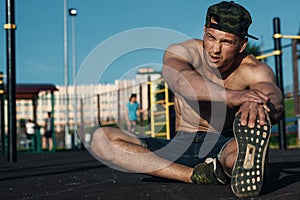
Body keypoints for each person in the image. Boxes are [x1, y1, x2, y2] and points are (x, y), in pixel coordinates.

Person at [91, 1, 284, 198]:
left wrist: (259, 102)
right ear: (204, 32)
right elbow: (183, 81)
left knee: (238, 155)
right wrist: (233, 96)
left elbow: (273, 96)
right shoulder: (184, 52)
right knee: (101, 140)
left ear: (242, 45)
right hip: (178, 145)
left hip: (222, 143)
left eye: (226, 42)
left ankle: (238, 166)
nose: (215, 49)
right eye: (211, 38)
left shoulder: (252, 69)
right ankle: (196, 175)